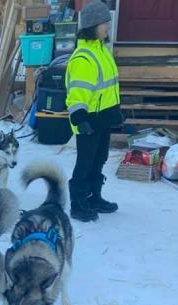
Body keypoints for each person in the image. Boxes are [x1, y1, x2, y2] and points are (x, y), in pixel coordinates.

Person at [65, 1, 123, 222]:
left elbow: (107, 87)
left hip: (103, 118)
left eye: (108, 21)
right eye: (104, 22)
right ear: (92, 25)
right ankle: (79, 204)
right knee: (85, 163)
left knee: (99, 159)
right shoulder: (84, 57)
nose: (108, 26)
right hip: (88, 121)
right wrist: (80, 118)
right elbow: (77, 93)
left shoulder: (102, 51)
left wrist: (115, 111)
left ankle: (94, 197)